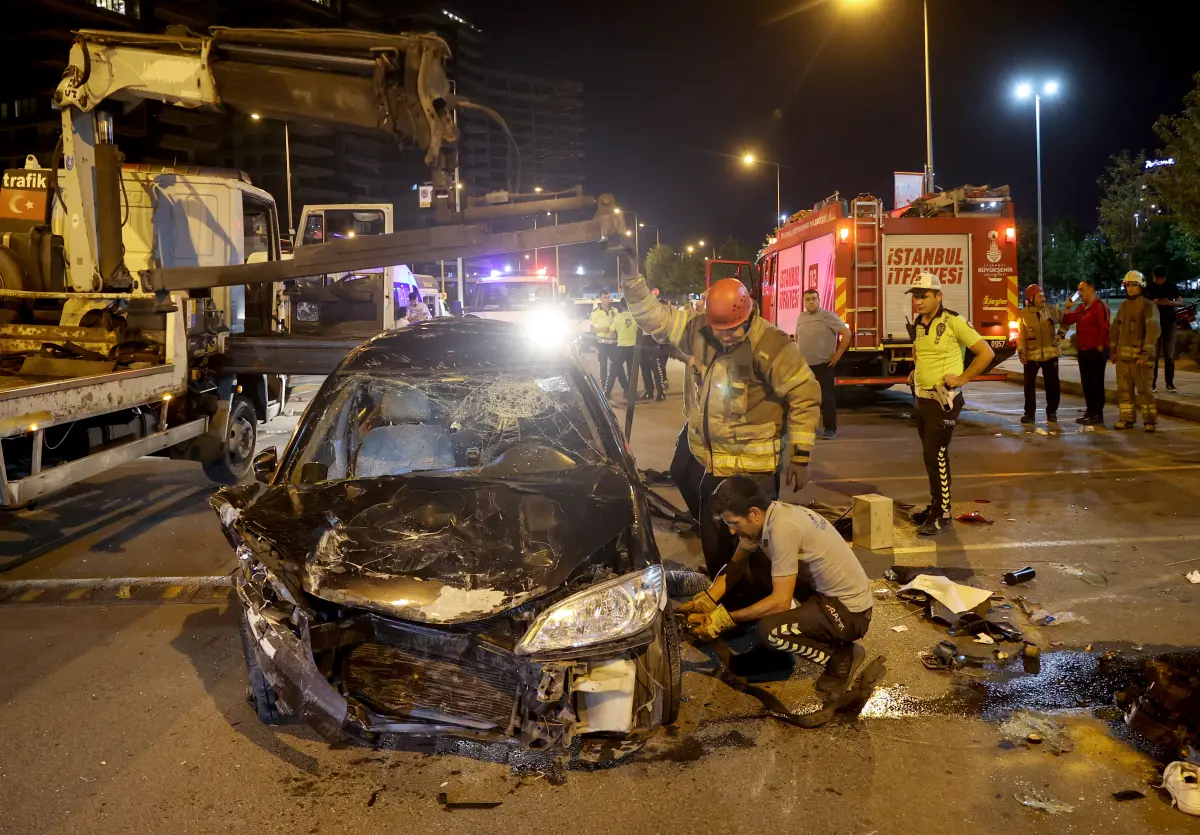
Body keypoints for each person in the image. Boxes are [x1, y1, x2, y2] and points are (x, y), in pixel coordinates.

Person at [618, 251, 821, 578]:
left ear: (748, 315)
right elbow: (656, 318)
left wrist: (800, 455)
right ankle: (721, 590)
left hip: (752, 474)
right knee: (715, 539)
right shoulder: (701, 330)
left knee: (750, 547)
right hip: (712, 465)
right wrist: (632, 281)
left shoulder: (771, 344)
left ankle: (749, 608)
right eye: (719, 329)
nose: (724, 336)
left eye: (732, 330)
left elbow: (805, 393)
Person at [679, 476, 873, 694]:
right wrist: (708, 598)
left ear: (753, 513)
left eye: (734, 523)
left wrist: (724, 620)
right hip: (823, 594)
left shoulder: (782, 529)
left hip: (850, 613)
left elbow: (780, 602)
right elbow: (736, 565)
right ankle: (774, 656)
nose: (732, 531)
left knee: (770, 631)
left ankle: (841, 657)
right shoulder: (765, 519)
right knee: (757, 563)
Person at [906, 273, 995, 536]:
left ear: (938, 296)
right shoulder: (919, 324)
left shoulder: (954, 321)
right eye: (915, 296)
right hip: (922, 398)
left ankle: (943, 514)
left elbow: (985, 353)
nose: (918, 301)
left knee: (937, 456)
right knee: (930, 456)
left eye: (924, 296)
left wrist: (962, 378)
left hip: (943, 401)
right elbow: (920, 352)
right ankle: (936, 507)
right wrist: (916, 370)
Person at [794, 288, 851, 440]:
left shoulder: (828, 316)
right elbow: (798, 339)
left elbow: (847, 333)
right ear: (804, 302)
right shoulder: (801, 317)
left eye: (813, 299)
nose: (811, 302)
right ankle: (808, 427)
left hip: (823, 365)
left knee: (827, 399)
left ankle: (830, 429)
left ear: (819, 301)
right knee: (806, 400)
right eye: (807, 299)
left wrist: (837, 355)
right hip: (805, 367)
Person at [1110, 270, 1160, 431]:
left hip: (1140, 360)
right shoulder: (1124, 307)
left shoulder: (1148, 306)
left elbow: (1153, 331)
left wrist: (1146, 353)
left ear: (1141, 287)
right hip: (1123, 359)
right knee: (1124, 391)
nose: (1130, 288)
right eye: (1128, 285)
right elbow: (1115, 329)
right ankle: (1126, 419)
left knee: (1144, 392)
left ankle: (1149, 421)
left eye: (1134, 285)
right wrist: (1112, 350)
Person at [1063, 278, 1111, 425]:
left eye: (1082, 289)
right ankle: (1090, 411)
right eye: (1078, 289)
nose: (1079, 292)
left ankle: (1097, 414)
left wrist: (1100, 347)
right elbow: (1068, 320)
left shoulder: (1099, 306)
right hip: (1083, 351)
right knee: (1087, 383)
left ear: (1091, 289)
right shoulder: (1082, 308)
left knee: (1096, 383)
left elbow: (1105, 328)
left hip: (1095, 351)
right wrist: (1067, 307)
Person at [1017, 284, 1062, 426]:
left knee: (1053, 385)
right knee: (1029, 387)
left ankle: (1052, 412)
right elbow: (1021, 335)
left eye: (1043, 295)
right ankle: (1029, 414)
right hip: (1031, 356)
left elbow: (1066, 319)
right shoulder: (1023, 315)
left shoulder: (1051, 310)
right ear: (1031, 299)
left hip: (1050, 355)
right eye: (1039, 296)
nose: (1043, 298)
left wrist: (1061, 334)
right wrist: (1021, 352)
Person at [1145, 265, 1181, 392]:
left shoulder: (1171, 286)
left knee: (1169, 355)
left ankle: (1169, 383)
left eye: (1161, 279)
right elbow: (1143, 303)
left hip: (1169, 323)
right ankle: (1152, 383)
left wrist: (1170, 303)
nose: (1159, 282)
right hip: (1154, 324)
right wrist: (1152, 303)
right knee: (1153, 356)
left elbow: (1180, 301)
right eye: (1157, 279)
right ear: (1153, 277)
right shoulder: (1148, 287)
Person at [606, 300, 638, 402]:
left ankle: (607, 392)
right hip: (633, 347)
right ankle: (630, 393)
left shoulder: (617, 317)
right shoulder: (636, 317)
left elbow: (610, 334)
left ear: (621, 306)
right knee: (631, 372)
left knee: (615, 370)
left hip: (621, 347)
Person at [589, 292, 620, 391]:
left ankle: (621, 388)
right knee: (603, 366)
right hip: (602, 343)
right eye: (604, 297)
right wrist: (602, 329)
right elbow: (591, 329)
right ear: (600, 299)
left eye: (608, 297)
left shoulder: (615, 311)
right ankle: (604, 389)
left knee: (616, 366)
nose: (607, 299)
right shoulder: (596, 312)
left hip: (614, 343)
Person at [638, 327, 666, 401]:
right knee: (644, 369)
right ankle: (649, 391)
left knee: (656, 369)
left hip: (652, 340)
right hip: (640, 340)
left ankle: (661, 393)